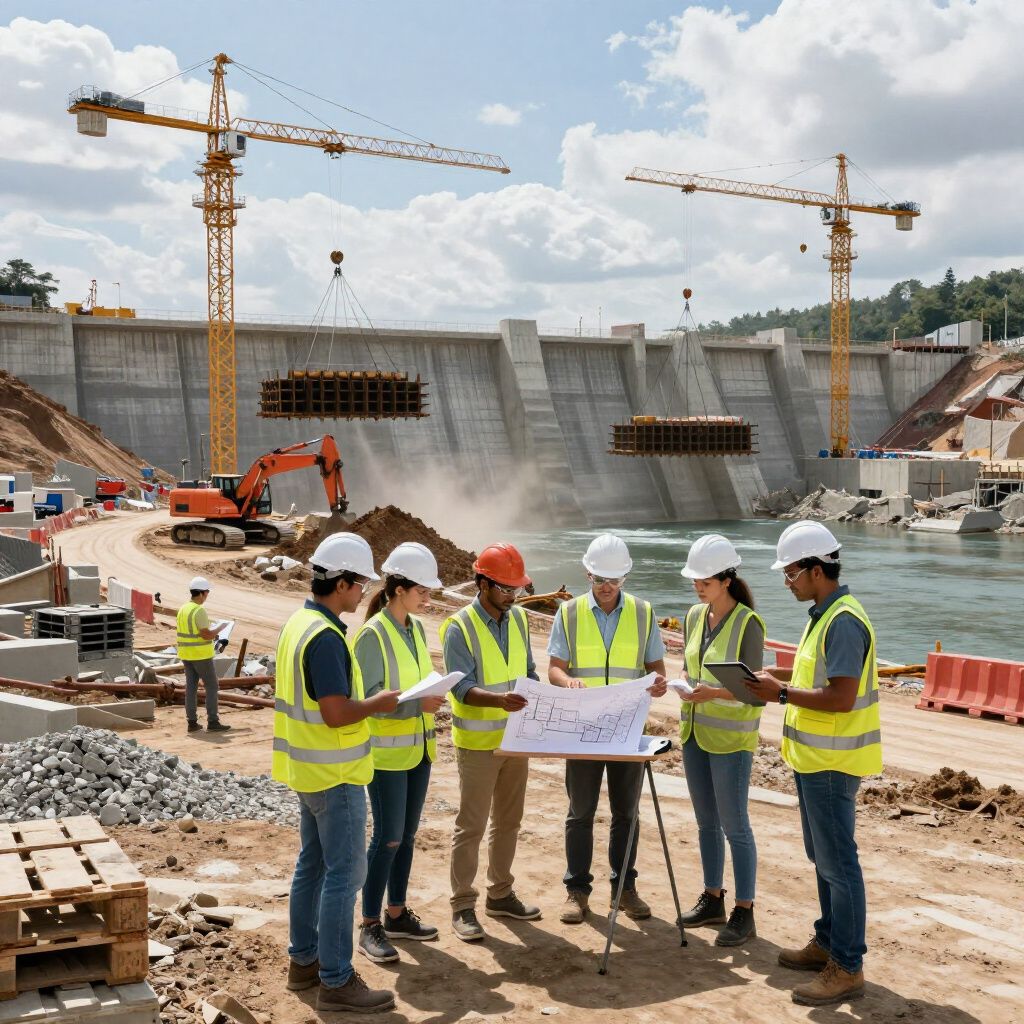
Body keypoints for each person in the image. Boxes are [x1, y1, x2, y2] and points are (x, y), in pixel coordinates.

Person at [746, 520, 882, 1008]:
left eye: (790, 572)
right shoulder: (824, 615)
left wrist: (778, 693)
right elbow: (816, 675)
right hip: (814, 760)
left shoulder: (842, 621)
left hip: (830, 762)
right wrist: (775, 677)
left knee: (839, 865)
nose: (786, 581)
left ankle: (846, 966)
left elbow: (841, 697)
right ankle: (827, 941)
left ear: (814, 569)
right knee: (824, 860)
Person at [273, 533, 400, 1015]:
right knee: (345, 874)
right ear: (343, 582)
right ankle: (336, 979)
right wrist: (378, 704)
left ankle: (303, 963)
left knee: (314, 866)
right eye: (361, 582)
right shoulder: (326, 637)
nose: (365, 591)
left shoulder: (298, 623)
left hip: (308, 770)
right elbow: (335, 712)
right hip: (336, 773)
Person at [546, 534, 668, 925]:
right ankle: (577, 891)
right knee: (580, 812)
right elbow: (554, 667)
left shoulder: (644, 613)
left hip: (626, 730)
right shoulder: (569, 613)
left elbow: (657, 670)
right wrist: (567, 683)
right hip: (581, 728)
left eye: (614, 579)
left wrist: (659, 683)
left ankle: (624, 889)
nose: (606, 587)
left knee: (626, 813)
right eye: (600, 578)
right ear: (587, 573)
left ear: (625, 577)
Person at [442, 542, 540, 942]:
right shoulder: (459, 627)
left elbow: (529, 671)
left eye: (515, 589)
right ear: (481, 583)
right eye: (503, 588)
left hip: (515, 741)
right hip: (478, 744)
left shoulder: (518, 621)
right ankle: (463, 905)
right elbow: (461, 687)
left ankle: (500, 894)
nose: (511, 595)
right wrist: (499, 700)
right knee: (472, 826)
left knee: (509, 823)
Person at [355, 543, 447, 964]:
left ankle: (396, 914)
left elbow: (414, 680)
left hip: (419, 749)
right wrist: (417, 705)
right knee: (387, 838)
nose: (429, 598)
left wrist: (433, 692)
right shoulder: (373, 634)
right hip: (389, 756)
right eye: (422, 591)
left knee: (406, 837)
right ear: (397, 588)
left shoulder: (416, 629)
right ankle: (369, 924)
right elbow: (368, 697)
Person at [675, 535, 765, 947]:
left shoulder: (749, 624)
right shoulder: (694, 616)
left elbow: (754, 691)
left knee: (736, 826)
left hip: (731, 741)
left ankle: (744, 910)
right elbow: (691, 668)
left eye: (704, 580)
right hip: (694, 734)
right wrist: (676, 685)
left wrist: (712, 693)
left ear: (727, 579)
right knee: (706, 822)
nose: (697, 586)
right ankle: (713, 897)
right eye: (694, 580)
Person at [175, 576, 230, 734]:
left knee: (191, 688)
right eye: (207, 593)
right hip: (201, 655)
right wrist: (220, 628)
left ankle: (192, 723)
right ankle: (213, 721)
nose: (207, 596)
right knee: (212, 686)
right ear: (201, 593)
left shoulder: (184, 609)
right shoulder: (199, 611)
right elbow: (206, 634)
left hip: (186, 654)